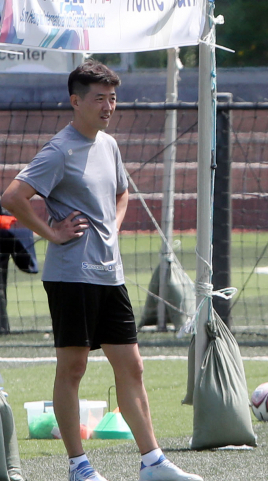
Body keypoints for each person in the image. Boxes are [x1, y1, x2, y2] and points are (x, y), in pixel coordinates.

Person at [1, 60, 203, 481]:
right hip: (71, 276)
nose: (109, 105)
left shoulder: (108, 145)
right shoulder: (59, 149)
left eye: (113, 97)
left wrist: (110, 225)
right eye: (100, 98)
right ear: (76, 101)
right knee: (72, 368)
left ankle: (153, 463)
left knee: (132, 367)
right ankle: (79, 467)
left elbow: (122, 192)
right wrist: (51, 233)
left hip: (110, 275)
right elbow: (13, 196)